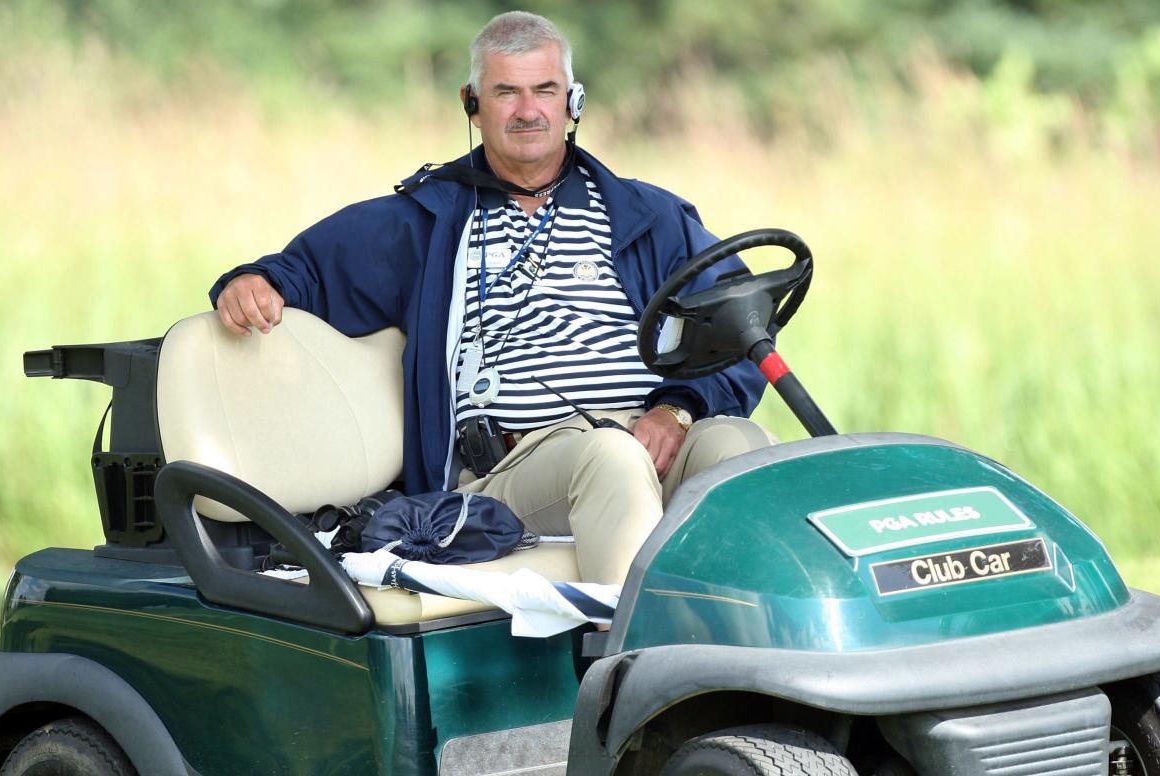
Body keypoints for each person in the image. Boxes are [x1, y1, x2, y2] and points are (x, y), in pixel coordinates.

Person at [210, 11, 771, 586]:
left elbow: (736, 327)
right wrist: (257, 281)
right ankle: (631, 669)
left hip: (648, 436)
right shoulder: (426, 222)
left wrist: (675, 411)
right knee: (610, 457)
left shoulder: (646, 216)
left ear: (573, 101)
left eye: (545, 90)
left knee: (740, 446)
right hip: (513, 469)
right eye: (506, 92)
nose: (528, 110)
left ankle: (762, 657)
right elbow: (306, 269)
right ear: (472, 104)